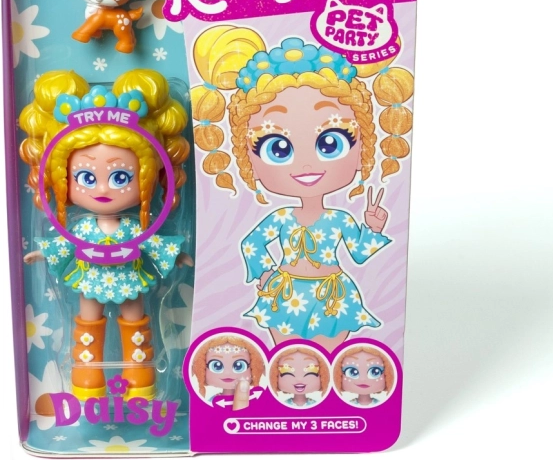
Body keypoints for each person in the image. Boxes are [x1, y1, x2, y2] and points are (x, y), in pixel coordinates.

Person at [191, 26, 413, 351]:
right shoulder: (281, 218)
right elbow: (252, 244)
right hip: (285, 293)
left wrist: (373, 227)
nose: (307, 165)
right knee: (287, 358)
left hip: (333, 295)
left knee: (327, 359)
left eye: (331, 143)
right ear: (248, 159)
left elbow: (359, 253)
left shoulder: (340, 220)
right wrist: (265, 274)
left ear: (363, 150)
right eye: (277, 148)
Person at [20, 69, 190, 400]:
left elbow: (153, 244)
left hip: (129, 280)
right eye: (85, 177)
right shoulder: (82, 228)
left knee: (136, 323)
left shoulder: (133, 228)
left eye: (120, 177)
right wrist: (44, 251)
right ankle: (87, 381)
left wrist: (177, 253)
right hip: (90, 279)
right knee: (87, 324)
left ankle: (140, 379)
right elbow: (65, 245)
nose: (101, 190)